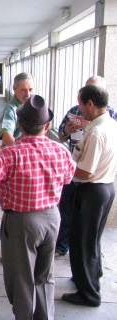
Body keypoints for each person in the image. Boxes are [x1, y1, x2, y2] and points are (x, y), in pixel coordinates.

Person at [0, 95, 75, 320]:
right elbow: (69, 177)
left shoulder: (9, 154)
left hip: (21, 222)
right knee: (45, 275)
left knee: (21, 277)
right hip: (51, 217)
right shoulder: (60, 151)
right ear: (47, 126)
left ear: (20, 124)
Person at [62, 85, 117, 307]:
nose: (80, 109)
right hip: (105, 187)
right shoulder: (109, 124)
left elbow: (86, 170)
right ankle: (90, 278)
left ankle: (88, 294)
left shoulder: (96, 132)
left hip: (91, 189)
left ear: (90, 104)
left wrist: (65, 166)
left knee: (82, 241)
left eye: (81, 103)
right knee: (91, 239)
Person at [55, 75, 117, 257]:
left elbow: (88, 171)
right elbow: (61, 134)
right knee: (67, 211)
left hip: (89, 176)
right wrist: (67, 131)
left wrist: (63, 167)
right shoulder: (74, 111)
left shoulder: (106, 121)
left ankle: (86, 269)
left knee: (87, 232)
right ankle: (64, 245)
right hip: (76, 171)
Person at [0, 72, 35, 146]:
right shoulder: (10, 110)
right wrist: (23, 151)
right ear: (14, 88)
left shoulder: (32, 106)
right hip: (16, 154)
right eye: (24, 90)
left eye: (30, 90)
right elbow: (6, 137)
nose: (28, 94)